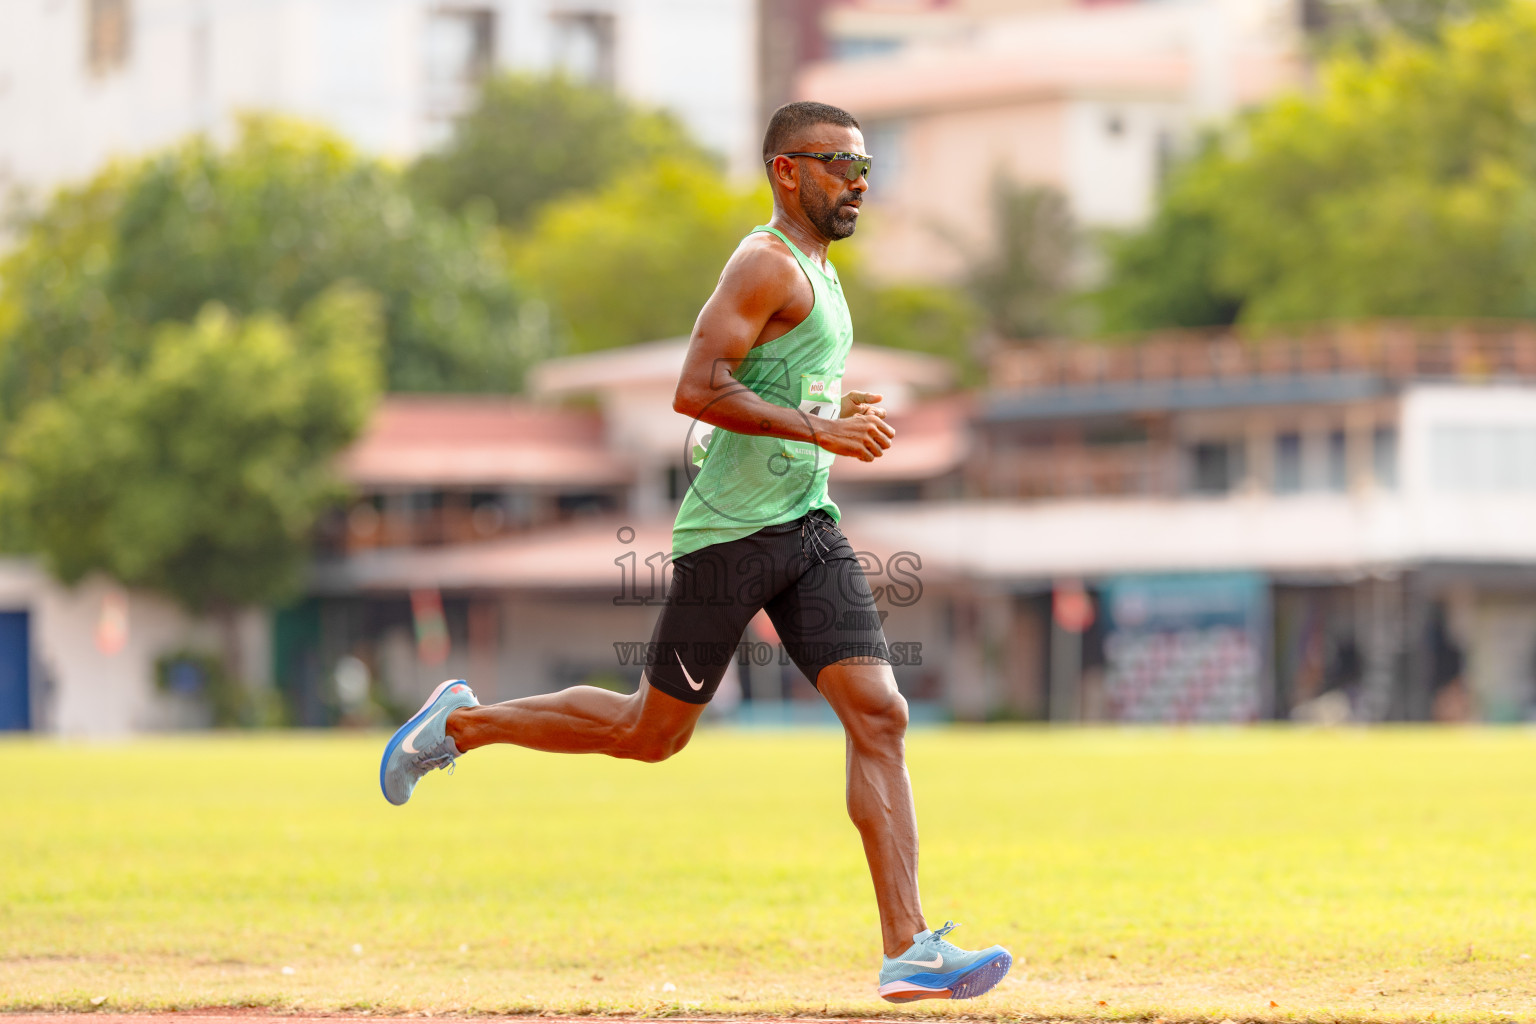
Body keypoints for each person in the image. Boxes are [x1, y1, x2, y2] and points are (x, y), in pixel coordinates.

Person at [379, 101, 1012, 1004]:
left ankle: (907, 946)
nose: (860, 182)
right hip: (732, 536)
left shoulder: (825, 276)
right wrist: (821, 427)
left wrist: (832, 413)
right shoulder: (764, 261)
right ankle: (459, 725)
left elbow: (772, 380)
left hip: (807, 527)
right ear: (786, 171)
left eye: (867, 167)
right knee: (652, 735)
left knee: (880, 713)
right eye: (840, 163)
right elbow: (695, 388)